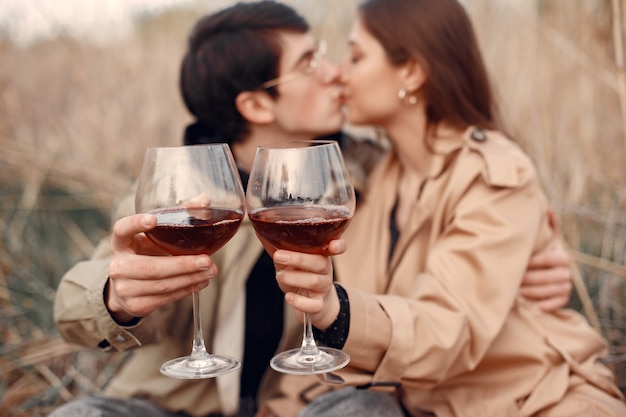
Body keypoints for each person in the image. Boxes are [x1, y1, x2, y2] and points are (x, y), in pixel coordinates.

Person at [51, 2, 573, 417]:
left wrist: (541, 254)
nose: (333, 74)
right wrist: (117, 295)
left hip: (310, 401)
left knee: (365, 410)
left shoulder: (360, 176)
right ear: (256, 106)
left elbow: (455, 199)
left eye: (331, 54)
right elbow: (79, 306)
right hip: (176, 407)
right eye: (308, 64)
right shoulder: (181, 196)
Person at [261, 0, 626, 416]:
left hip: (536, 400)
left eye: (357, 56)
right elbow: (321, 361)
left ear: (413, 72)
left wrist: (337, 310)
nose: (340, 72)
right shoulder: (375, 178)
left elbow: (449, 328)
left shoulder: (494, 174)